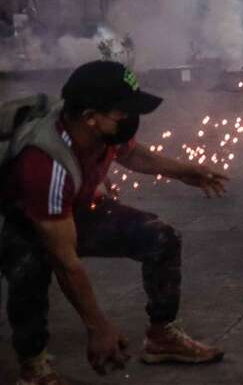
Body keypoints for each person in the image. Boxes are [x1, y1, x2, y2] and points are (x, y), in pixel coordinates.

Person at [1, 60, 229, 385]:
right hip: (26, 217)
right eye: (122, 112)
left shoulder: (102, 131)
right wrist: (98, 327)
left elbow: (132, 155)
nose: (130, 118)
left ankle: (162, 337)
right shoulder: (46, 164)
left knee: (160, 238)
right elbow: (68, 264)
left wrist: (184, 171)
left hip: (72, 205)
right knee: (30, 268)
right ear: (90, 117)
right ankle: (33, 363)